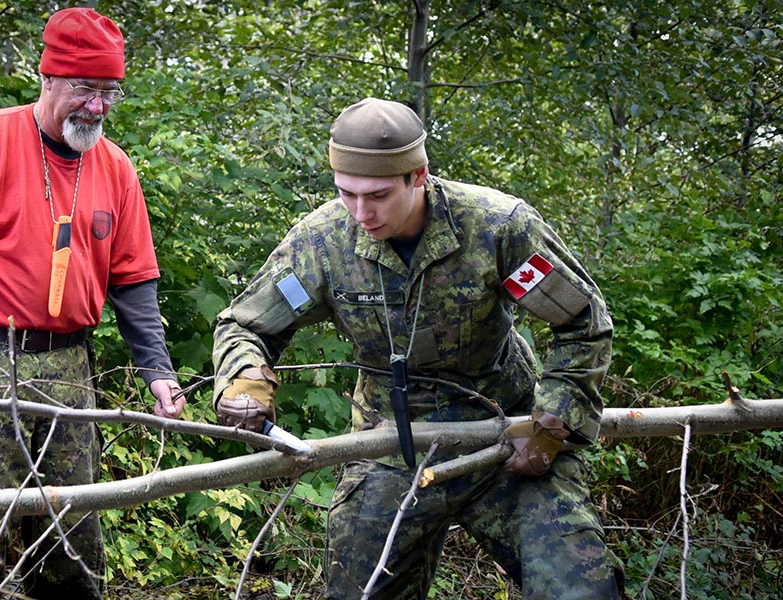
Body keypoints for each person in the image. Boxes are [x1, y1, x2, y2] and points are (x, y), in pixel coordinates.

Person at [212, 97, 624, 599]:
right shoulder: (323, 246)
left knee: (580, 591)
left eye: (379, 195)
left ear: (419, 176)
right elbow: (247, 324)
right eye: (347, 194)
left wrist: (552, 423)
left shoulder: (497, 229)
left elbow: (582, 322)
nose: (362, 213)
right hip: (387, 448)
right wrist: (246, 379)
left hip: (503, 438)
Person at [0, 8, 186, 599]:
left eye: (108, 92)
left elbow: (135, 283)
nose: (97, 107)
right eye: (84, 89)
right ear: (49, 80)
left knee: (72, 548)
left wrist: (158, 371)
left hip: (70, 375)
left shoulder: (115, 167)